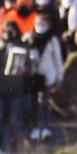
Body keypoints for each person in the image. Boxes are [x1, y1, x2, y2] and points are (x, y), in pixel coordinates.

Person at [0, 21, 29, 154]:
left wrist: (25, 70)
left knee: (14, 122)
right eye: (6, 30)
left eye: (11, 30)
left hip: (15, 90)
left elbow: (29, 67)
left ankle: (15, 151)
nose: (8, 33)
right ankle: (1, 149)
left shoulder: (23, 46)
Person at [25, 13, 64, 142]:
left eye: (43, 24)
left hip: (47, 75)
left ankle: (46, 128)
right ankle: (34, 128)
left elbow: (58, 59)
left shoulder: (52, 40)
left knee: (45, 103)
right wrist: (32, 60)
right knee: (32, 103)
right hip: (32, 75)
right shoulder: (29, 38)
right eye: (38, 24)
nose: (40, 26)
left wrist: (59, 77)